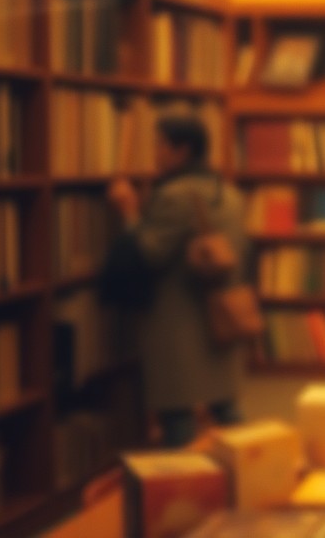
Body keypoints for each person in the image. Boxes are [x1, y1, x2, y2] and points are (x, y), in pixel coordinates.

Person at [107, 115, 248, 448]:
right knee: (226, 411)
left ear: (180, 150)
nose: (154, 153)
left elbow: (148, 253)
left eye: (159, 144)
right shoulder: (227, 191)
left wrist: (128, 211)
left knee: (179, 420)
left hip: (177, 327)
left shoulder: (174, 194)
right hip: (218, 322)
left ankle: (187, 493)